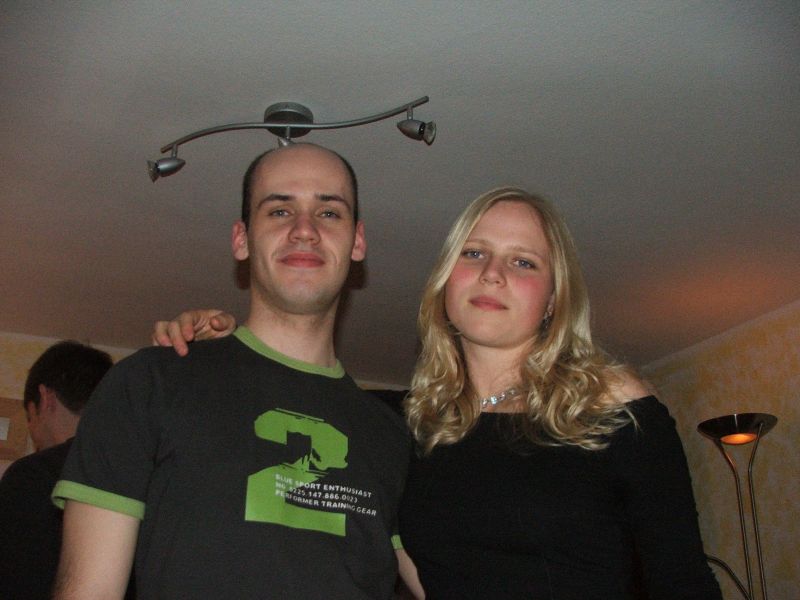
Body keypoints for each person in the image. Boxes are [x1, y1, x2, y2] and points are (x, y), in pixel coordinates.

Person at [155, 187, 722, 599]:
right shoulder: (401, 425)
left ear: (554, 299)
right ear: (447, 278)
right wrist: (222, 344)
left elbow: (683, 581)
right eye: (474, 253)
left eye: (523, 261)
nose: (493, 273)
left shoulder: (610, 404)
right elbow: (285, 397)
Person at [52, 143, 410, 600]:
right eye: (279, 211)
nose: (304, 230)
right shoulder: (150, 384)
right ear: (241, 239)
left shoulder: (391, 434)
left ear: (357, 241)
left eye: (329, 213)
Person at [0, 340, 113, 600]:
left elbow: (16, 582)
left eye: (30, 417)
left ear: (45, 397)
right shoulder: (136, 470)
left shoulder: (33, 475)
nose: (33, 432)